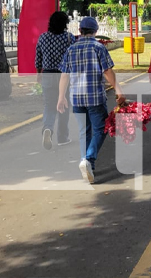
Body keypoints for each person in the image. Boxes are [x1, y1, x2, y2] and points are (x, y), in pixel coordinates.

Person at [57, 17, 126, 183]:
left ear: (80, 31)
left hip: (76, 98)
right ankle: (88, 159)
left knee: (84, 131)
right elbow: (107, 71)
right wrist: (119, 90)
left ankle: (88, 165)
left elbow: (64, 75)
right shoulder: (98, 47)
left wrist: (61, 97)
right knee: (101, 128)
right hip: (94, 96)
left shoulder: (71, 49)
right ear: (95, 31)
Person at [35, 11, 76, 150]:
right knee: (63, 105)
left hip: (47, 74)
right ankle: (62, 137)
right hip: (64, 76)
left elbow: (38, 58)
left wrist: (38, 73)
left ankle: (48, 129)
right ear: (65, 24)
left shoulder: (43, 37)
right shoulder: (69, 38)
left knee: (49, 105)